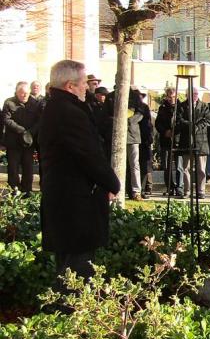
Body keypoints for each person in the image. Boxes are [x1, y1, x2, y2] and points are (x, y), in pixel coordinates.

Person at [38, 60, 120, 292]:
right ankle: (70, 318)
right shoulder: (69, 113)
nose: (87, 87)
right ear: (70, 85)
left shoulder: (55, 108)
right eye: (84, 83)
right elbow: (89, 155)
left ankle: (64, 315)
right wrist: (111, 182)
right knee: (77, 268)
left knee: (68, 264)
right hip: (76, 201)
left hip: (63, 197)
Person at [2, 81, 42, 194]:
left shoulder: (35, 103)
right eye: (21, 92)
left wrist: (30, 132)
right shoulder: (9, 102)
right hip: (13, 142)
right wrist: (22, 131)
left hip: (28, 141)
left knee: (28, 167)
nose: (24, 95)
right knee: (13, 168)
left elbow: (40, 120)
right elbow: (6, 119)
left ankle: (26, 190)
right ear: (16, 92)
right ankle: (14, 189)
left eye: (26, 93)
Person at [177, 88, 210, 199]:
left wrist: (197, 126)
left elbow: (208, 120)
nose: (195, 96)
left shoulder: (203, 106)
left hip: (201, 141)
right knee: (186, 168)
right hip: (186, 141)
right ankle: (187, 191)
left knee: (201, 168)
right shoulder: (181, 106)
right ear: (188, 95)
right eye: (193, 94)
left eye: (197, 94)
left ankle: (201, 191)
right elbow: (179, 119)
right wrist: (190, 125)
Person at [155, 87, 183, 197]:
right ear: (166, 97)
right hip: (165, 140)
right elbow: (158, 123)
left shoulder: (181, 107)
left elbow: (183, 122)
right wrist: (164, 131)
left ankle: (179, 188)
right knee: (166, 166)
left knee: (179, 167)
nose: (171, 99)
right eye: (169, 97)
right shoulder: (162, 108)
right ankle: (170, 187)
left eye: (173, 97)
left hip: (178, 141)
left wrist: (175, 131)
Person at [125, 88, 144, 201]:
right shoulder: (112, 96)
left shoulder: (135, 99)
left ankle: (136, 191)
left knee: (134, 165)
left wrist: (127, 120)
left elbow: (140, 114)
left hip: (132, 136)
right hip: (118, 136)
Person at [137, 90, 154, 198]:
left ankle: (143, 189)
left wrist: (149, 138)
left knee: (144, 167)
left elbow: (148, 124)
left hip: (144, 140)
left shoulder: (144, 107)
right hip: (135, 138)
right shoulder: (131, 108)